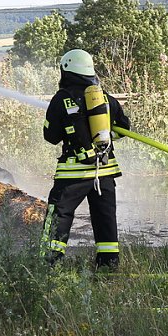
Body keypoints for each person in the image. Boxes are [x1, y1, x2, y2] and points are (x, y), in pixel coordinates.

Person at [40, 49, 130, 269]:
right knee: (105, 217)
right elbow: (124, 128)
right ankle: (109, 265)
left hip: (74, 173)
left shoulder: (61, 98)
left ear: (66, 71)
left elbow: (51, 137)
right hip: (105, 172)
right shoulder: (104, 98)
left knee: (59, 214)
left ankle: (50, 263)